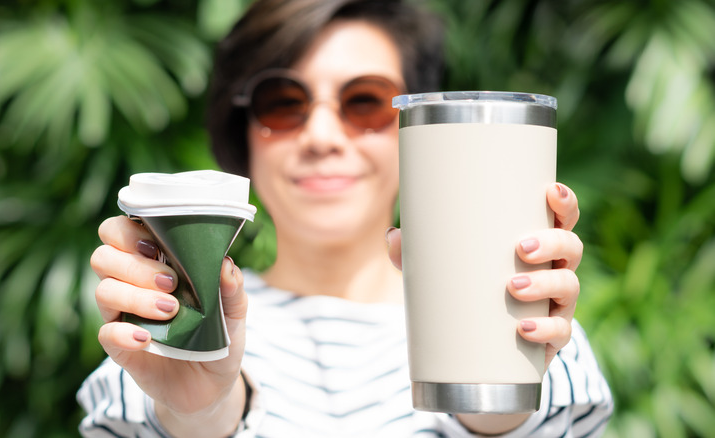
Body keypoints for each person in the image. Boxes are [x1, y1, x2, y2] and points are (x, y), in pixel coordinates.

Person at [77, 0, 614, 436]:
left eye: (365, 102)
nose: (322, 138)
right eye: (283, 103)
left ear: (420, 133)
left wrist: (499, 389)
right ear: (240, 133)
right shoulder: (166, 334)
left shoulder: (541, 330)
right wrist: (198, 414)